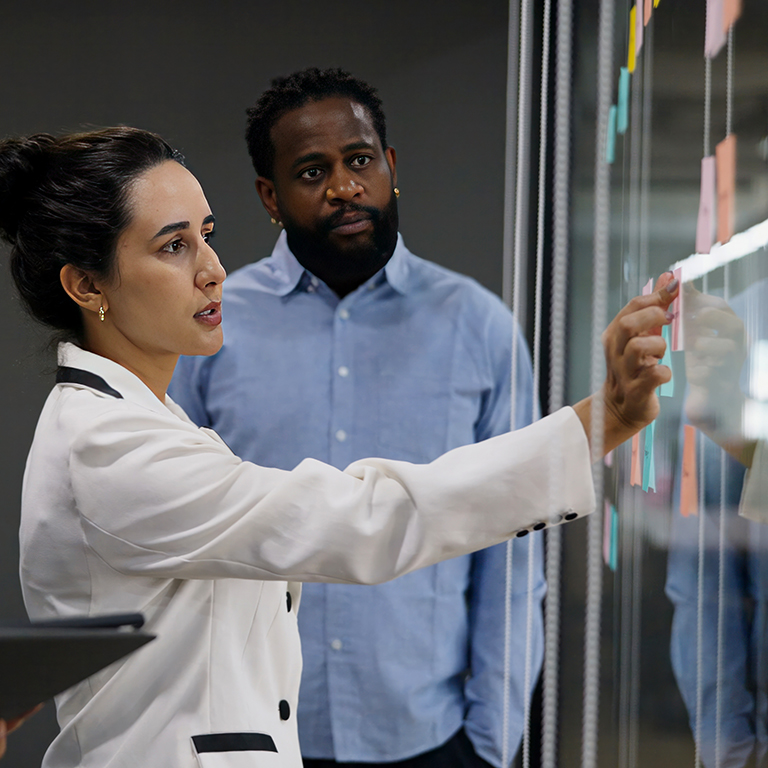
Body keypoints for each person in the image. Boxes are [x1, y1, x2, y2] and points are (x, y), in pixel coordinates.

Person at [1, 126, 676, 768]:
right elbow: (362, 518)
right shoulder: (112, 450)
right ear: (87, 286)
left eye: (206, 236)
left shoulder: (138, 421)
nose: (212, 270)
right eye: (172, 247)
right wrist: (602, 422)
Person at [169, 67, 543, 768]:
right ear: (270, 198)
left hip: (429, 740)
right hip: (248, 737)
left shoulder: (479, 328)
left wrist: (491, 744)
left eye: (359, 161)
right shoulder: (210, 330)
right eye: (312, 172)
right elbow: (177, 538)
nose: (344, 187)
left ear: (390, 167)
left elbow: (512, 551)